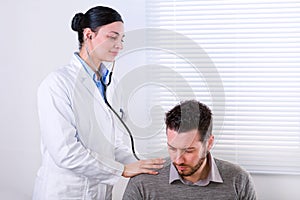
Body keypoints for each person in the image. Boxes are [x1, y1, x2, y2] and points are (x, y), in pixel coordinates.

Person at [32, 6, 164, 200]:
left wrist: (143, 166)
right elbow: (65, 152)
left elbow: (114, 143)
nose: (119, 45)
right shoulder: (57, 83)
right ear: (88, 35)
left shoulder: (110, 84)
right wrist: (122, 170)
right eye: (112, 37)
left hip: (100, 193)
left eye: (122, 39)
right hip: (65, 193)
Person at [123, 100, 257, 200]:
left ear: (209, 143)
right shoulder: (143, 181)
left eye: (188, 151)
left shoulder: (238, 179)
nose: (178, 159)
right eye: (172, 148)